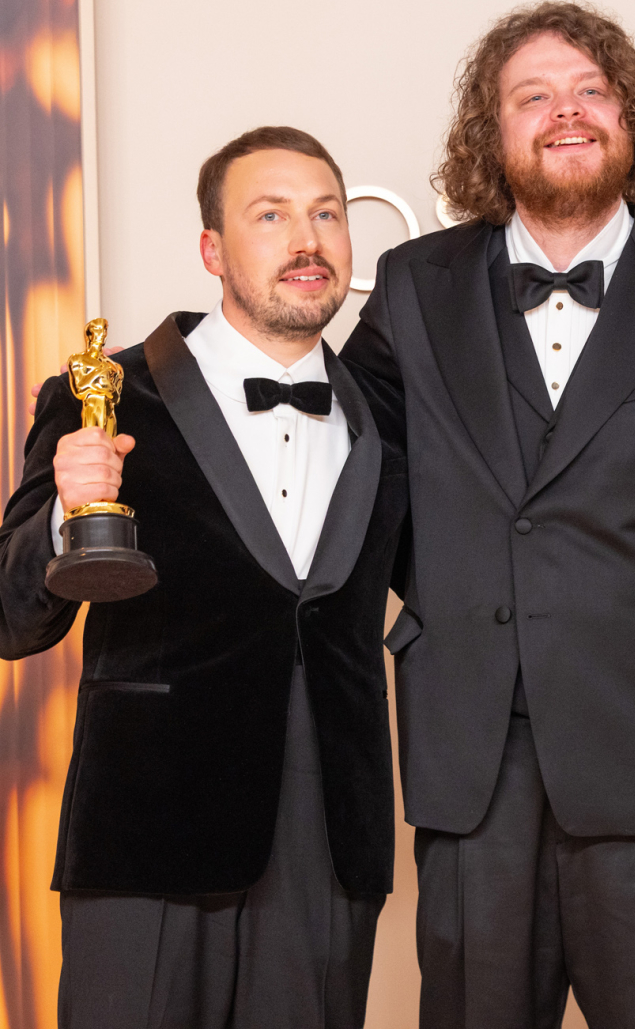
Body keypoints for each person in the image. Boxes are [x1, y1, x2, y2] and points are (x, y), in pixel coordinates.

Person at [339, 0, 635, 1029]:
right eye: (533, 96)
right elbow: (355, 473)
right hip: (472, 761)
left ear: (630, 117)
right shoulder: (412, 286)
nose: (566, 112)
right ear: (491, 130)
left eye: (591, 91)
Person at [0, 126, 407, 1029]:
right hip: (145, 836)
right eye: (271, 215)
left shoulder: (390, 417)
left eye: (326, 214)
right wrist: (68, 515)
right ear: (212, 250)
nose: (307, 240)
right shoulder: (103, 393)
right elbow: (9, 616)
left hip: (327, 849)